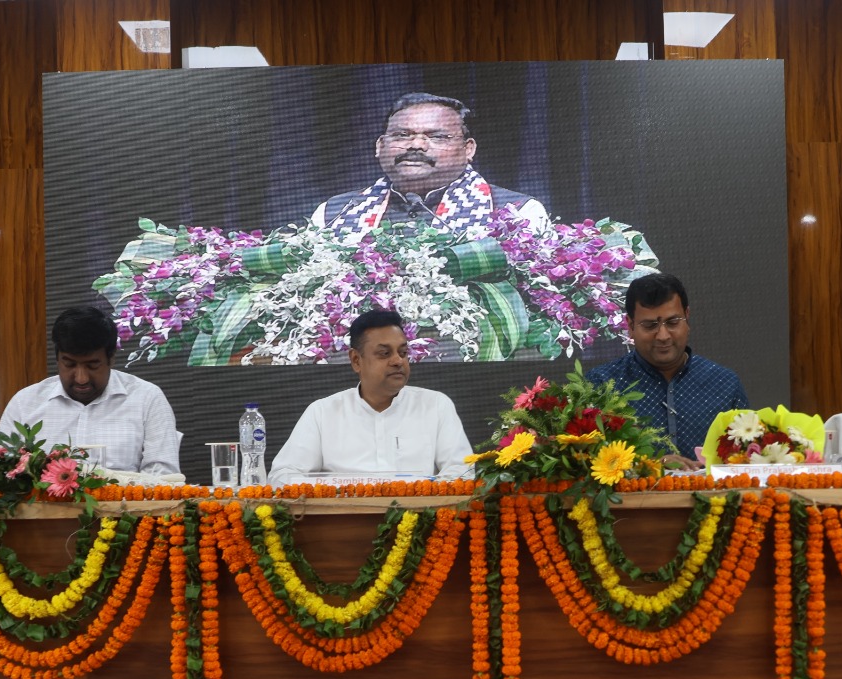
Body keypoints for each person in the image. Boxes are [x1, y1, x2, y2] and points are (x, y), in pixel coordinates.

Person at [268, 308, 473, 486]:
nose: (398, 361)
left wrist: (420, 491)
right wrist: (335, 490)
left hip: (417, 516)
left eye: (403, 352)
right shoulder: (322, 413)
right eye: (384, 353)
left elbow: (462, 472)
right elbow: (282, 476)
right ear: (356, 360)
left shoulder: (436, 405)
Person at [312, 92, 549, 238]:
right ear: (380, 146)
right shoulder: (334, 212)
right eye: (402, 135)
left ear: (468, 149)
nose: (416, 145)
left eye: (437, 137)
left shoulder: (517, 212)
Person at [586, 273, 747, 470]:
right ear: (630, 325)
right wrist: (649, 465)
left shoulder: (725, 384)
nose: (663, 336)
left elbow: (748, 458)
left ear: (687, 317)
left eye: (672, 322)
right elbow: (585, 462)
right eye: (650, 325)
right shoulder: (600, 385)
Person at [0, 306, 181, 474]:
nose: (81, 378)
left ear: (111, 358)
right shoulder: (25, 403)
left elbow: (163, 477)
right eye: (69, 364)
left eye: (92, 365)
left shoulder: (147, 399)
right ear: (57, 358)